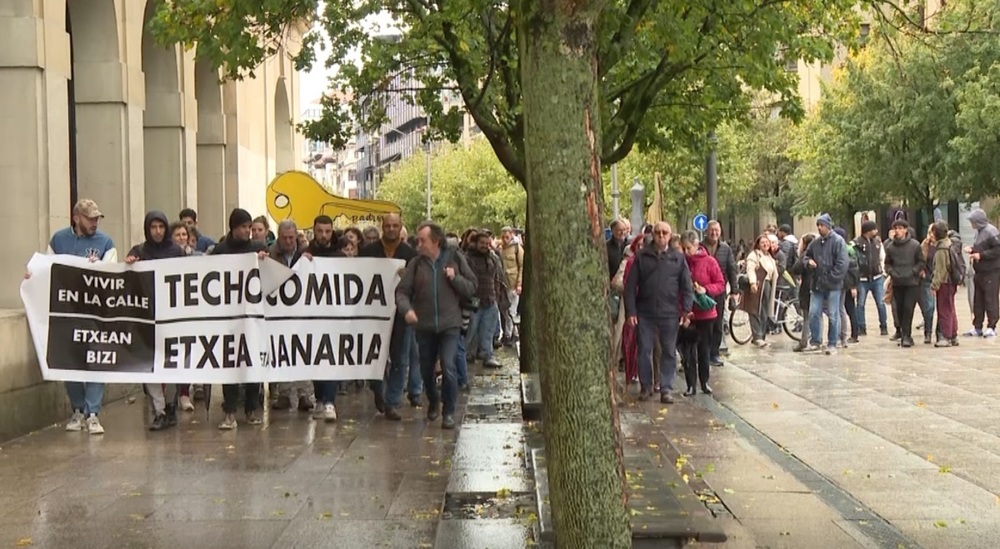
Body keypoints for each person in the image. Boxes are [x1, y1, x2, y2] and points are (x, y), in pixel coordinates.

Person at [26, 199, 117, 435]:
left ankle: (93, 412)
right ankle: (77, 410)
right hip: (67, 314)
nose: (95, 222)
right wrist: (32, 276)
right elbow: (47, 269)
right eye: (90, 218)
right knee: (70, 362)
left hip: (94, 315)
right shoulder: (58, 240)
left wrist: (100, 268)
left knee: (96, 360)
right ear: (77, 218)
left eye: (97, 218)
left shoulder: (106, 243)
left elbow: (112, 274)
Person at [396, 222, 477, 429]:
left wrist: (455, 278)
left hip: (450, 324)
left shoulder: (455, 259)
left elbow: (472, 287)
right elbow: (402, 292)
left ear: (436, 242)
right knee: (426, 370)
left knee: (449, 367)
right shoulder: (416, 264)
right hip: (425, 326)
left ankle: (449, 411)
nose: (418, 244)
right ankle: (433, 399)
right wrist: (407, 310)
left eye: (422, 240)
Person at [125, 211, 185, 431]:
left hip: (171, 318)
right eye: (153, 227)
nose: (158, 231)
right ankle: (159, 411)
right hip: (146, 319)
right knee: (149, 365)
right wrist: (130, 264)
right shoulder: (139, 252)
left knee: (172, 363)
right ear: (147, 229)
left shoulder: (176, 252)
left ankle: (170, 406)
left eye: (161, 227)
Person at [624, 222, 694, 404]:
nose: (661, 236)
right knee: (645, 350)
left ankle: (666, 388)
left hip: (669, 312)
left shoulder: (678, 258)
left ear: (670, 235)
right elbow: (630, 287)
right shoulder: (641, 256)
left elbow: (687, 287)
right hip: (644, 312)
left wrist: (686, 311)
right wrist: (631, 312)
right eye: (658, 232)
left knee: (669, 351)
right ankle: (646, 386)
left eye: (665, 233)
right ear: (652, 234)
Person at [212, 208, 268, 430]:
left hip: (252, 317)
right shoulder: (221, 250)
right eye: (243, 227)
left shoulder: (257, 249)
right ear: (233, 228)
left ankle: (252, 409)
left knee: (252, 362)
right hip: (229, 318)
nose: (248, 231)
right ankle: (230, 411)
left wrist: (263, 261)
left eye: (249, 226)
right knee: (230, 365)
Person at [360, 213, 417, 420]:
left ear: (400, 227)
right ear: (382, 227)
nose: (391, 229)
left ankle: (393, 402)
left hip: (400, 314)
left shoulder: (409, 254)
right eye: (388, 226)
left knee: (400, 358)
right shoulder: (367, 252)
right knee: (375, 355)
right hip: (374, 314)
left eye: (395, 225)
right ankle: (378, 390)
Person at [678, 231, 725, 396]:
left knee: (704, 350)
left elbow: (720, 284)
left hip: (705, 314)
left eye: (688, 248)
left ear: (696, 246)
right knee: (688, 352)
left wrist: (705, 289)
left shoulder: (709, 262)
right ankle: (691, 385)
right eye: (682, 248)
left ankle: (704, 382)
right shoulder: (681, 262)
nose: (685, 252)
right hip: (688, 314)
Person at [803, 214, 848, 354]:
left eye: (821, 225)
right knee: (813, 312)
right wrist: (808, 262)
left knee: (833, 314)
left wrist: (831, 278)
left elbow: (842, 264)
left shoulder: (838, 242)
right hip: (817, 284)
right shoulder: (815, 243)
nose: (819, 228)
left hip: (833, 285)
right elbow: (806, 255)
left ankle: (832, 343)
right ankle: (816, 340)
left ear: (828, 226)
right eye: (818, 225)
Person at [884, 219, 925, 348]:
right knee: (899, 309)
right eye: (896, 228)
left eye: (900, 228)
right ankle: (903, 332)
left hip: (911, 282)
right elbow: (887, 263)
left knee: (908, 308)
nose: (898, 231)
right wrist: (892, 272)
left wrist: (913, 271)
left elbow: (921, 262)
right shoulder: (890, 247)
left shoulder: (915, 245)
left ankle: (907, 335)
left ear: (906, 230)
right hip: (897, 282)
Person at [704, 221, 738, 366]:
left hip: (719, 291)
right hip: (702, 291)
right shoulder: (700, 247)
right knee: (704, 324)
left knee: (718, 324)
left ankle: (714, 353)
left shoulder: (725, 249)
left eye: (717, 230)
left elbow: (732, 269)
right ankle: (703, 354)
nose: (714, 233)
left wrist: (734, 291)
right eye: (712, 230)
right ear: (706, 231)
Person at [963, 209, 1000, 337]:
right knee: (977, 300)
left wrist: (981, 255)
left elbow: (997, 249)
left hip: (991, 271)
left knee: (990, 299)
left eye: (972, 221)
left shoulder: (991, 231)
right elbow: (981, 248)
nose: (971, 224)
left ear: (978, 221)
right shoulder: (978, 233)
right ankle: (977, 326)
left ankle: (992, 326)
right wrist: (972, 250)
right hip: (979, 272)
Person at [742, 234, 778, 347]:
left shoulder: (770, 257)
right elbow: (750, 269)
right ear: (758, 244)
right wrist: (753, 282)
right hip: (757, 286)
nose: (765, 244)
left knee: (764, 312)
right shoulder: (754, 255)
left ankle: (761, 336)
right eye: (763, 242)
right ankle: (757, 336)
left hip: (767, 285)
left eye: (767, 242)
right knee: (754, 310)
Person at [929, 221, 960, 347]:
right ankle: (953, 335)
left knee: (944, 309)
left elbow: (940, 270)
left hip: (945, 283)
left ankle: (946, 336)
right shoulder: (949, 244)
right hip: (951, 282)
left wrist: (934, 285)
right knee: (951, 307)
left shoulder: (942, 248)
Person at [854, 221, 887, 336]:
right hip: (862, 278)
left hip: (877, 277)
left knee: (880, 303)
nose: (876, 231)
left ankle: (884, 326)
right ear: (868, 231)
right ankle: (861, 327)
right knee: (860, 304)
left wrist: (882, 271)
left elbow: (882, 257)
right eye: (874, 229)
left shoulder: (878, 242)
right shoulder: (856, 243)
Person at [791, 234, 817, 352]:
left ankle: (804, 341)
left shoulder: (805, 254)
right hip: (819, 286)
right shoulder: (819, 253)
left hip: (807, 287)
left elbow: (795, 269)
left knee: (807, 316)